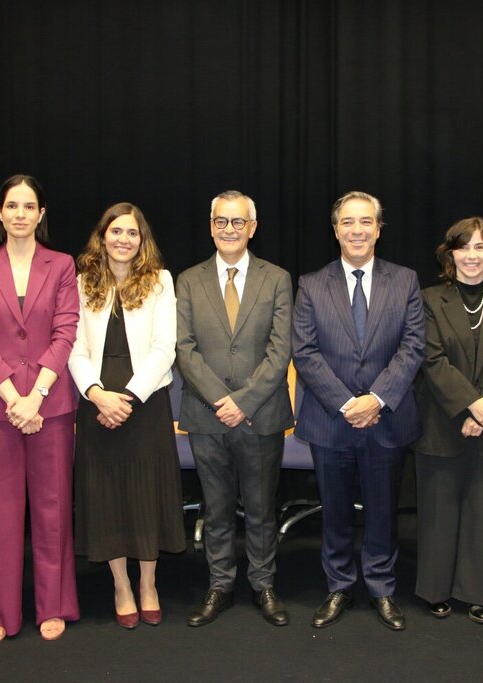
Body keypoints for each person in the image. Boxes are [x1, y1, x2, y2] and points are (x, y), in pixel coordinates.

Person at [292, 190, 425, 631]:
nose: (357, 230)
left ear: (379, 229)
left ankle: (382, 587)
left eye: (366, 222)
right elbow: (305, 352)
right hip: (331, 419)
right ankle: (339, 586)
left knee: (383, 511)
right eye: (347, 222)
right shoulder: (311, 284)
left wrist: (377, 399)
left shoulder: (405, 280)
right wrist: (348, 404)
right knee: (335, 511)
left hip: (387, 418)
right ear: (335, 230)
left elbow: (413, 346)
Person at [0, 175, 81, 644]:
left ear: (41, 213)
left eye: (29, 206)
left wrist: (37, 396)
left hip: (51, 407)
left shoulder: (62, 264)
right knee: (0, 514)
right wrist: (15, 398)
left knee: (53, 510)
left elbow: (66, 332)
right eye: (12, 205)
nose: (20, 214)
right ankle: (1, 611)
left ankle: (53, 605)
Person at [176, 190, 294, 627]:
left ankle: (263, 585)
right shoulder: (188, 280)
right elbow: (184, 349)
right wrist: (219, 401)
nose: (230, 229)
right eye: (222, 221)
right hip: (205, 416)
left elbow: (281, 350)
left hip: (261, 414)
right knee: (217, 508)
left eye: (238, 222)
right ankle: (220, 585)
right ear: (211, 227)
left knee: (262, 509)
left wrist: (242, 402)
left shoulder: (276, 278)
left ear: (253, 227)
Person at [68, 202, 185, 629]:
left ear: (142, 239)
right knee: (107, 496)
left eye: (132, 232)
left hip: (146, 400)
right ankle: (121, 585)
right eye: (115, 231)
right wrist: (98, 394)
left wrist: (129, 399)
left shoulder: (160, 281)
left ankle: (149, 583)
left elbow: (165, 348)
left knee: (146, 492)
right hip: (97, 400)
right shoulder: (81, 283)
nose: (123, 239)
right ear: (102, 237)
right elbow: (74, 348)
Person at [412, 218, 483, 625]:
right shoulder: (429, 300)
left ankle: (478, 593)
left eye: (480, 247)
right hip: (442, 421)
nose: (472, 256)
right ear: (450, 254)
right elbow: (431, 359)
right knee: (439, 512)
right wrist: (467, 406)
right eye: (464, 248)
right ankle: (436, 590)